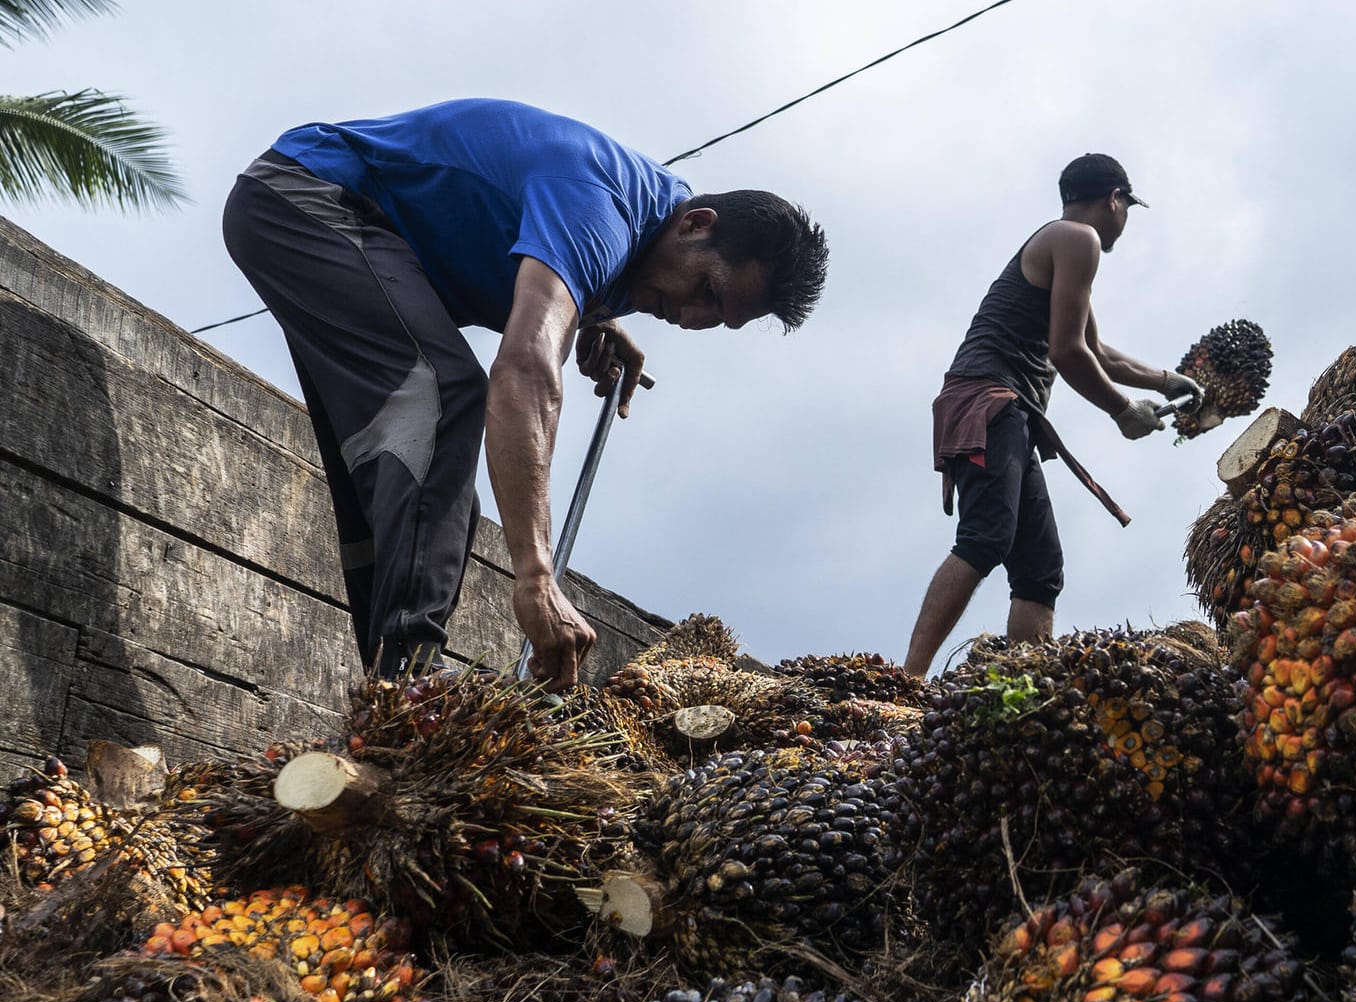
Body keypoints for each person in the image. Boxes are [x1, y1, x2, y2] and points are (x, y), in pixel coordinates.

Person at [223, 98, 827, 689]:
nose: (693, 320)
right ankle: (409, 684)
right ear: (697, 225)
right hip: (305, 196)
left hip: (322, 218)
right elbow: (528, 367)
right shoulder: (599, 207)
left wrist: (592, 315)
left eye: (717, 320)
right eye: (708, 292)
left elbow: (559, 262)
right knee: (444, 395)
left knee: (405, 474)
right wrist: (535, 575)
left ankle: (387, 686)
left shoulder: (646, 230)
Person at [903, 153, 1201, 676]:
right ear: (1115, 200)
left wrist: (1163, 380)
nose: (1125, 220)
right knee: (985, 538)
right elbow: (1067, 353)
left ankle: (1024, 693)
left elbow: (1098, 351)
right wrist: (1122, 411)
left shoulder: (1067, 245)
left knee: (1040, 571)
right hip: (988, 401)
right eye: (1127, 206)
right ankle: (908, 680)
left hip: (1009, 410)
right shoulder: (1076, 240)